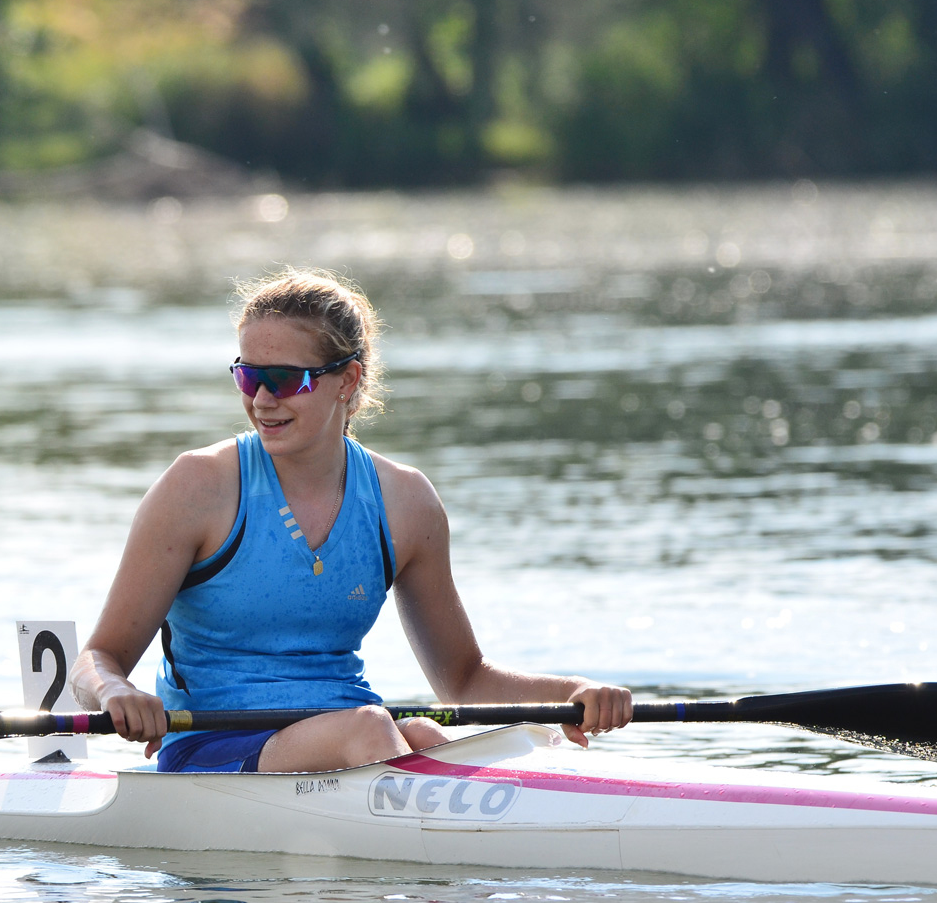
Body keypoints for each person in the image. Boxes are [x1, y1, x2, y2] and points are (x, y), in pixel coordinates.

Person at [70, 269, 631, 773]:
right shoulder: (199, 487)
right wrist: (116, 692)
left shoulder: (406, 502)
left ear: (347, 379)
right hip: (213, 745)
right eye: (247, 376)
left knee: (424, 733)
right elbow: (98, 659)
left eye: (283, 379)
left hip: (356, 737)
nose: (261, 399)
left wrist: (573, 690)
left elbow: (463, 680)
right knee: (377, 730)